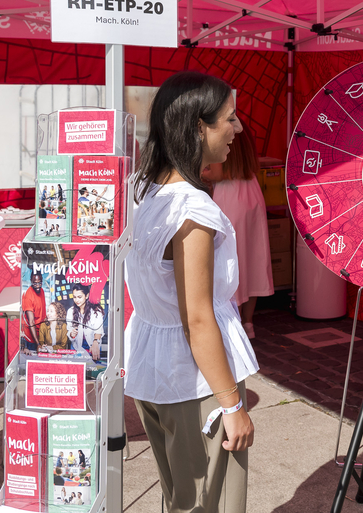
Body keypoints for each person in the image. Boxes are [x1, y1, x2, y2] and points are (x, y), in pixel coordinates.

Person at [125, 71, 257, 513]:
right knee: (210, 503)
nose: (237, 129)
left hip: (155, 369)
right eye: (229, 119)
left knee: (182, 500)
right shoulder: (191, 208)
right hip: (193, 379)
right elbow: (197, 316)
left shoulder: (143, 189)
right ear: (197, 126)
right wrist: (232, 403)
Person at [203, 125, 273, 339]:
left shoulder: (223, 141)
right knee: (252, 259)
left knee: (231, 259)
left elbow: (214, 173)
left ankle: (235, 325)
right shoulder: (247, 137)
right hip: (251, 193)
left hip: (229, 196)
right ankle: (248, 324)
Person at [65, 284, 104, 361]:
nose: (76, 300)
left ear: (86, 296)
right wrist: (71, 334)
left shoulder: (96, 311)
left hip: (93, 345)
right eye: (74, 297)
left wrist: (95, 342)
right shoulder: (70, 311)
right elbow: (69, 330)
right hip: (76, 347)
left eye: (79, 297)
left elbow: (98, 331)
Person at [21, 272, 47, 352]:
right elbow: (31, 322)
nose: (38, 286)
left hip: (40, 334)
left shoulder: (42, 291)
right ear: (31, 281)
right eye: (35, 283)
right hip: (31, 338)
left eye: (40, 283)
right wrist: (38, 343)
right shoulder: (28, 296)